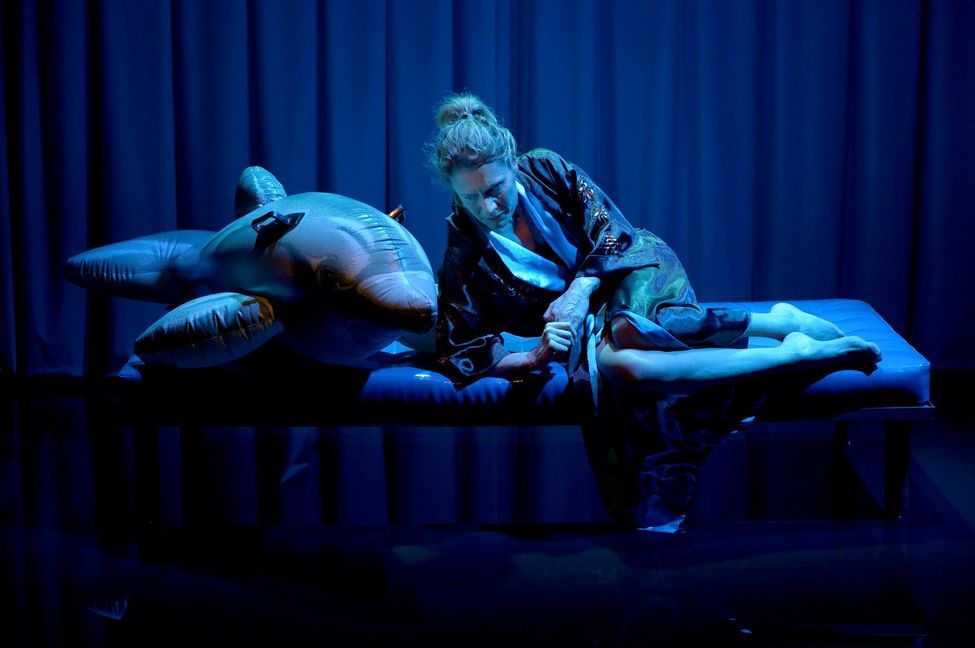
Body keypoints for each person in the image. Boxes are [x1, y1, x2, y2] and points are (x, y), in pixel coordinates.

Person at [427, 92, 881, 531]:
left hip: (630, 268)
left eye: (495, 189)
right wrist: (532, 357)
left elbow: (613, 231)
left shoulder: (545, 168)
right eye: (471, 198)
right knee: (623, 369)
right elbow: (458, 347)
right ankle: (794, 354)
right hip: (590, 325)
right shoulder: (464, 245)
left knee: (632, 330)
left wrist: (581, 289)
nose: (487, 207)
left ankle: (779, 322)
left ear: (512, 163)